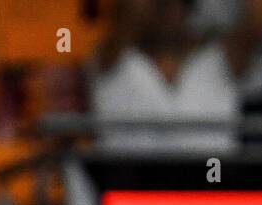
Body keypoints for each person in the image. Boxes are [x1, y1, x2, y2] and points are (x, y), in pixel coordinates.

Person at [91, 0, 241, 153]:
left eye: (179, 4)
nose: (171, 13)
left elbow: (255, 21)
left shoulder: (220, 55)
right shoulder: (112, 56)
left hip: (211, 174)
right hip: (127, 174)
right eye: (162, 5)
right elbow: (121, 23)